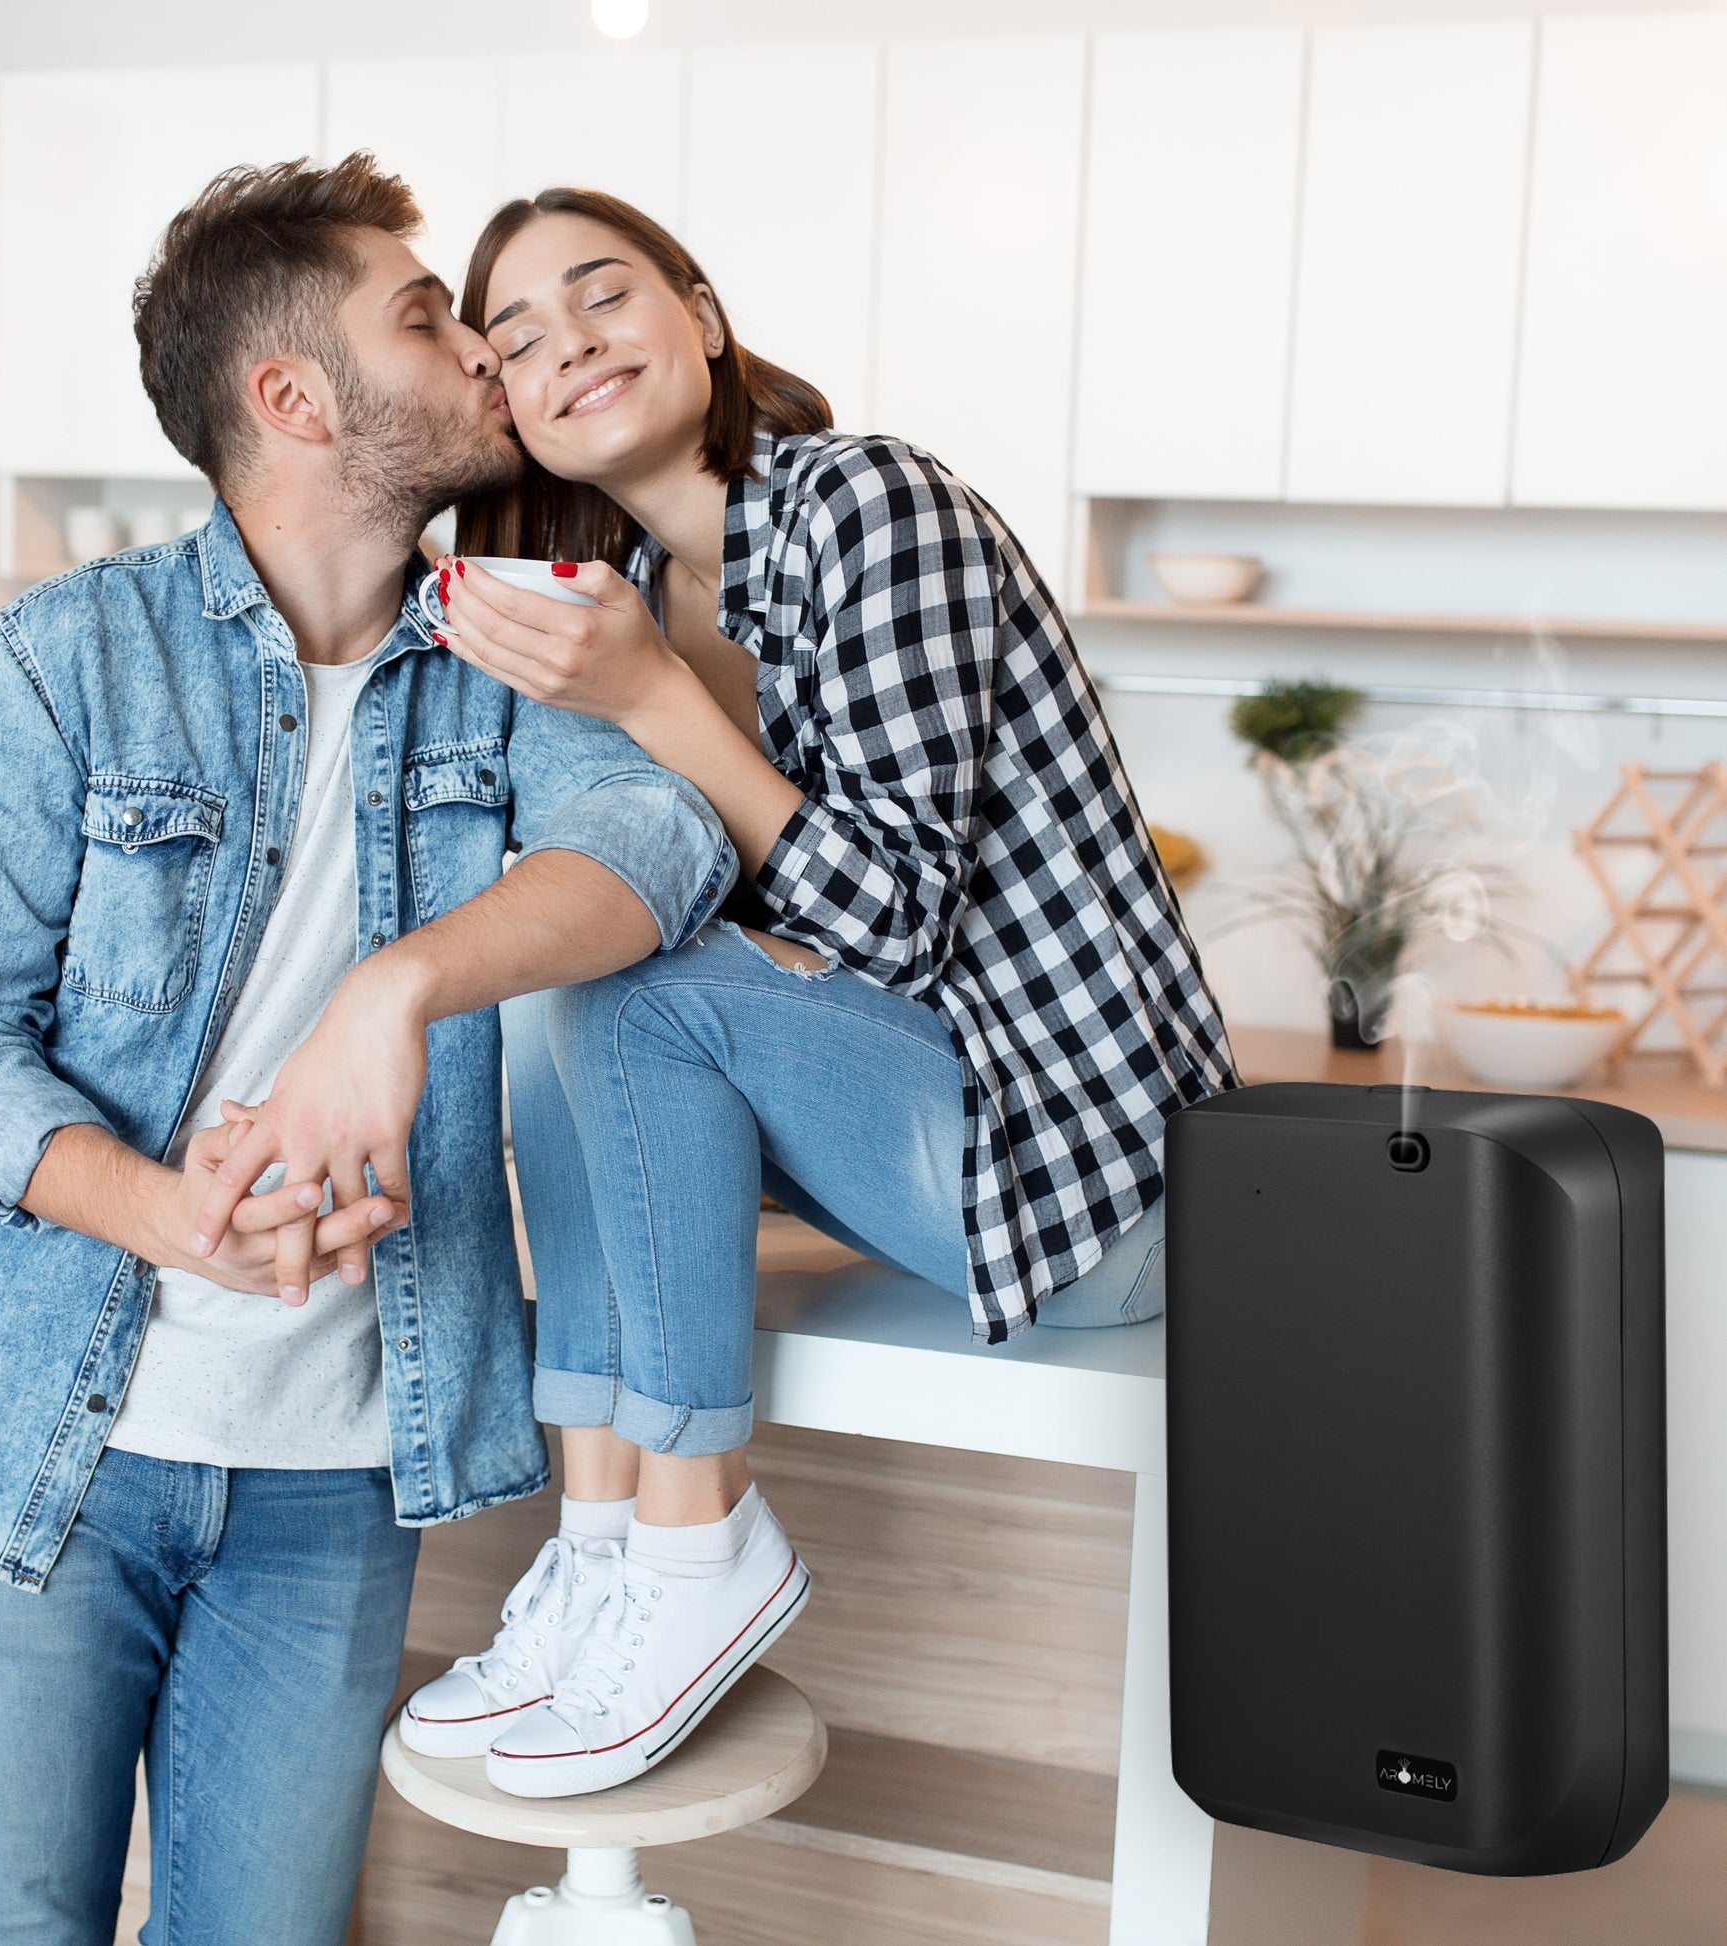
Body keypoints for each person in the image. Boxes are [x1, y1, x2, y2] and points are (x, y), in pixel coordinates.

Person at [0, 156, 735, 1945]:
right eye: (426, 319)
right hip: (36, 1435)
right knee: (14, 1921)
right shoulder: (61, 658)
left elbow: (657, 849)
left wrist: (392, 986)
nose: (489, 353)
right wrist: (167, 1214)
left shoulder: (510, 655)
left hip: (336, 1471)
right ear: (292, 399)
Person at [395, 187, 1239, 1800]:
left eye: (605, 297)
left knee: (632, 989)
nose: (569, 346)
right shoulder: (628, 583)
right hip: (936, 1130)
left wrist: (651, 699)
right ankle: (598, 1552)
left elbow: (897, 917)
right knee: (557, 984)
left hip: (1084, 1169)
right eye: (519, 337)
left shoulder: (870, 507)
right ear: (506, 404)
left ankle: (697, 1538)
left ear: (701, 317)